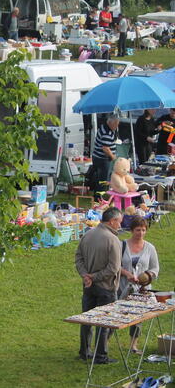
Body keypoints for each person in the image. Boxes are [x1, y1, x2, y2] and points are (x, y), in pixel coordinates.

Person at [75, 206, 122, 364]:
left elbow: (78, 258)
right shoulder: (113, 239)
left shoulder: (88, 235)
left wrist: (85, 276)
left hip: (88, 286)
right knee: (104, 321)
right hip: (106, 287)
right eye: (119, 222)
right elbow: (113, 268)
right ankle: (100, 355)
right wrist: (93, 277)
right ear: (112, 221)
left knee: (86, 319)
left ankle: (84, 351)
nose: (120, 226)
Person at [118, 217, 159, 354]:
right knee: (115, 314)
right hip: (123, 286)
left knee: (138, 317)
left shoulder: (150, 248)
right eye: (137, 230)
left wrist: (146, 277)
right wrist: (127, 274)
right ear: (131, 230)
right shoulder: (122, 245)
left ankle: (133, 345)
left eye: (143, 230)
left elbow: (155, 269)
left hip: (141, 289)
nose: (140, 233)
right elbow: (115, 266)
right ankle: (104, 343)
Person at [91, 115, 119, 188]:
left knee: (99, 178)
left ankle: (98, 194)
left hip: (97, 157)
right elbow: (105, 148)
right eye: (115, 124)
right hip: (102, 159)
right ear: (110, 122)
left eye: (117, 123)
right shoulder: (106, 132)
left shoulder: (103, 126)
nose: (117, 126)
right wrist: (113, 157)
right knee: (103, 179)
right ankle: (101, 196)